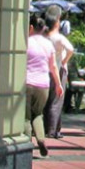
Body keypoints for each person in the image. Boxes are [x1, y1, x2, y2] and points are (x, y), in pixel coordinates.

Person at [26, 17, 60, 157]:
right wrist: (58, 84)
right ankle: (41, 139)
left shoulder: (26, 42)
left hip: (27, 82)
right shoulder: (48, 45)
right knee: (38, 114)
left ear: (31, 27)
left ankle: (26, 145)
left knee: (25, 117)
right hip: (43, 84)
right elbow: (53, 66)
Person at [45, 15, 74, 139]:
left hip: (46, 70)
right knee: (57, 100)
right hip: (59, 69)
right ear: (57, 24)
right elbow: (70, 49)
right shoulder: (59, 38)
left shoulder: (45, 37)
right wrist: (64, 61)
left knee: (48, 100)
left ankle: (52, 128)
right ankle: (52, 130)